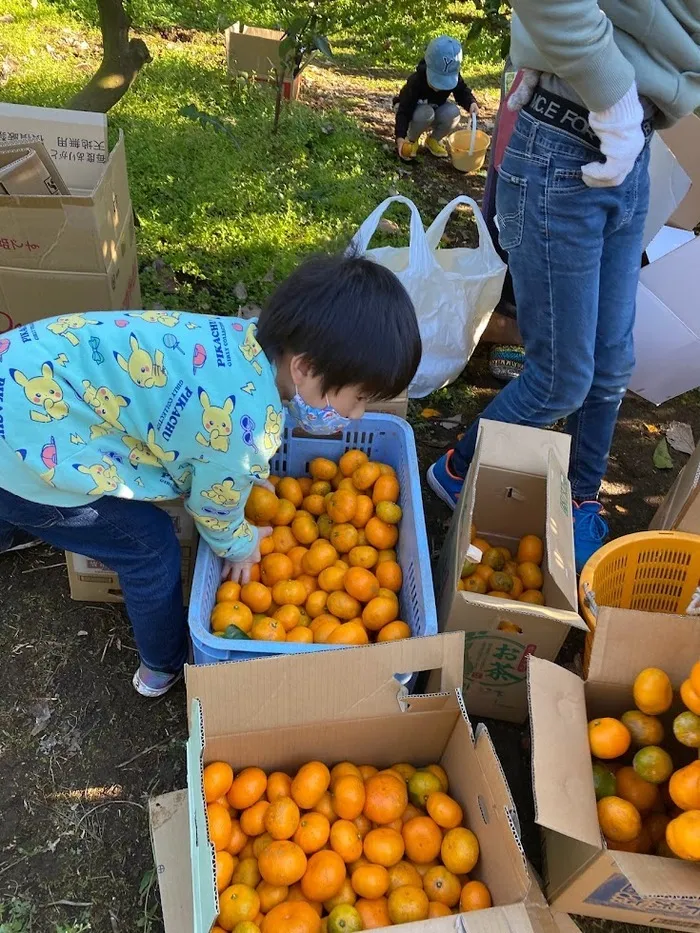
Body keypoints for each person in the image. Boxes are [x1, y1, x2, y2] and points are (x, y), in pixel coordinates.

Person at [0, 255, 421, 696]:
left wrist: (237, 468)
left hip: (20, 367)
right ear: (305, 368)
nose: (357, 415)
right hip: (24, 446)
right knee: (148, 547)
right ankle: (162, 664)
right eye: (357, 399)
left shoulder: (234, 341)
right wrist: (241, 547)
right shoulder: (248, 429)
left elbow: (205, 440)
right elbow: (211, 507)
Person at [428, 0, 700, 571]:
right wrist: (611, 91)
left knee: (611, 363)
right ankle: (456, 469)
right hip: (564, 146)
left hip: (634, 150)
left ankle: (579, 496)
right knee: (561, 379)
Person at [395, 35, 479, 161]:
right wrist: (400, 137)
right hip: (413, 112)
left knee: (453, 113)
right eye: (436, 80)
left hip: (434, 109)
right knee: (426, 113)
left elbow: (462, 91)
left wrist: (471, 103)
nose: (439, 88)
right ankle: (411, 139)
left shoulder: (455, 78)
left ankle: (433, 140)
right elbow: (404, 111)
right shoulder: (416, 81)